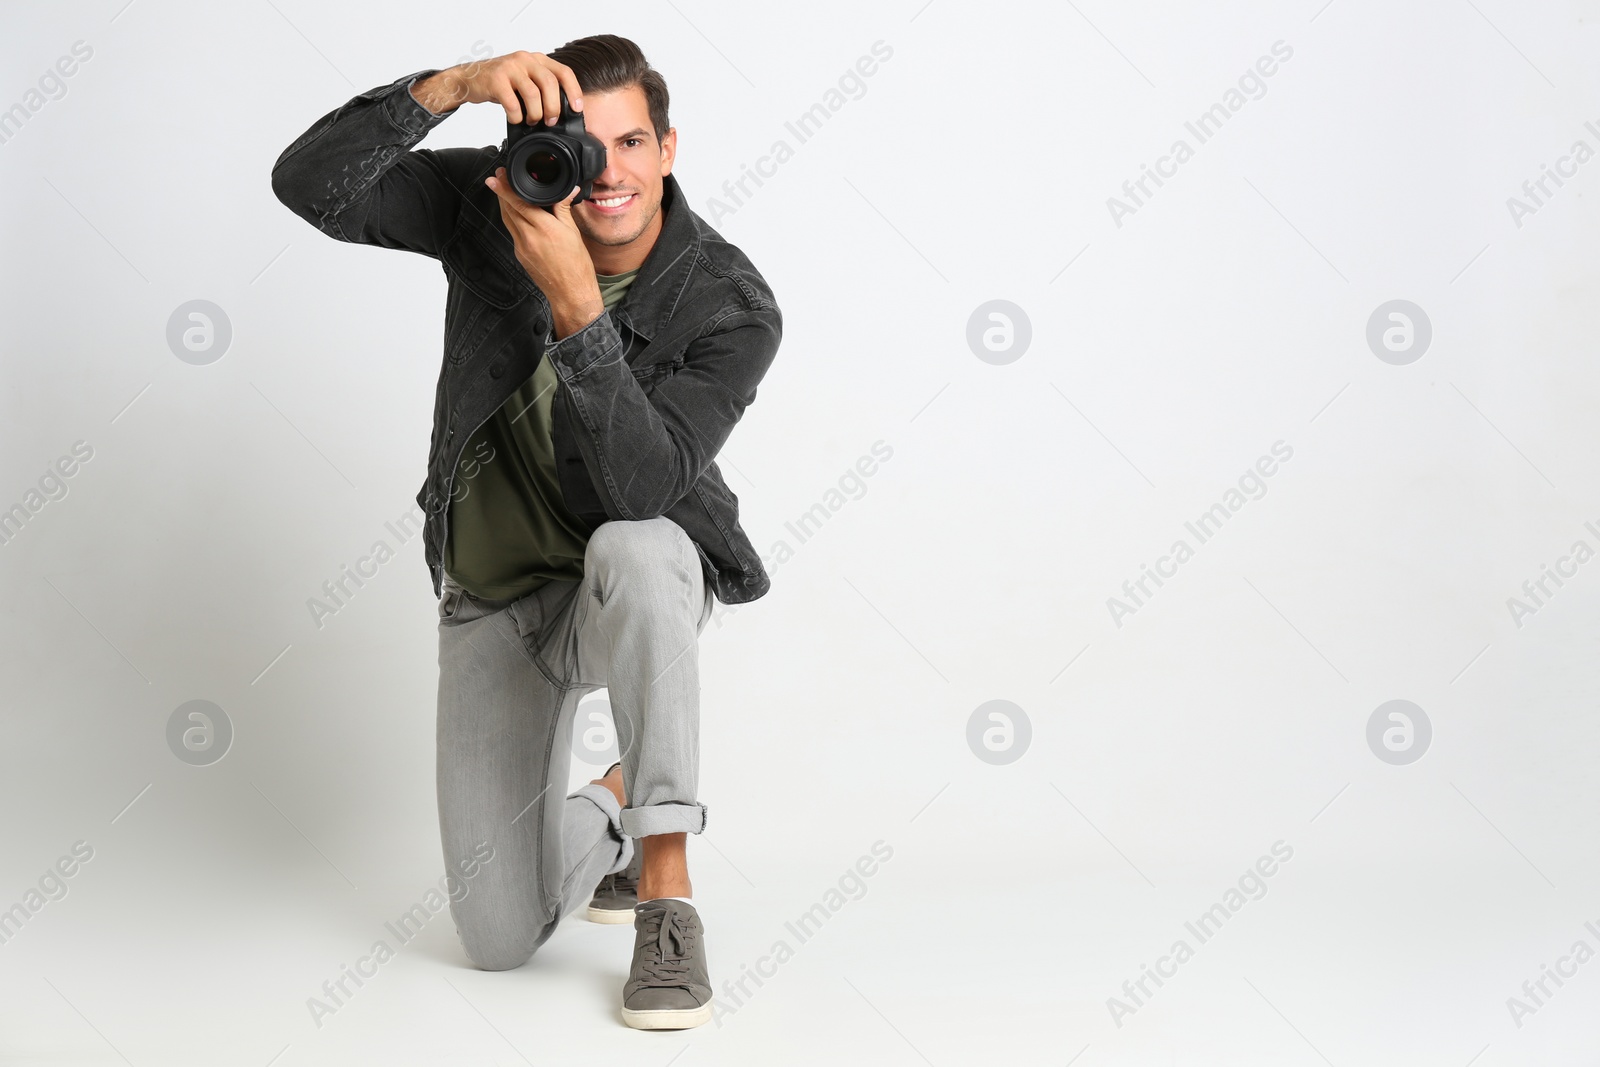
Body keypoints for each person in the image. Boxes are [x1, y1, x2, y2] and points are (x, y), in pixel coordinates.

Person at [270, 34, 783, 1030]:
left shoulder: (729, 302)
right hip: (495, 601)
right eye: (577, 147)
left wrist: (575, 301)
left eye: (629, 142)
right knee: (497, 939)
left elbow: (641, 488)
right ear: (534, 144)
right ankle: (610, 809)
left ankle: (667, 892)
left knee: (634, 546)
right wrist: (450, 86)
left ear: (667, 149)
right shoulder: (494, 202)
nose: (605, 174)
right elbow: (308, 185)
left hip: (631, 585)